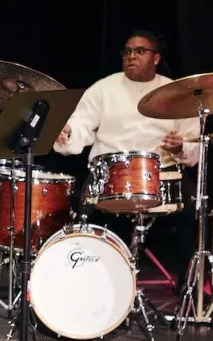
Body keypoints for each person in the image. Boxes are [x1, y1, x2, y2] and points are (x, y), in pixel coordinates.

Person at [53, 30, 199, 289]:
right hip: (109, 173)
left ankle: (189, 287)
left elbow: (192, 144)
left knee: (193, 209)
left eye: (139, 51)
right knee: (84, 208)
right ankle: (84, 282)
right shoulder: (104, 88)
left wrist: (180, 148)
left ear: (156, 58)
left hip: (161, 174)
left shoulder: (176, 92)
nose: (131, 57)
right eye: (127, 52)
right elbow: (81, 126)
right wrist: (68, 134)